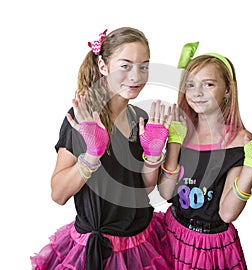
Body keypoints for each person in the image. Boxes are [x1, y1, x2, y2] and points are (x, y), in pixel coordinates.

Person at [30, 27, 172, 270]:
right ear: (103, 67)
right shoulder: (82, 120)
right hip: (97, 250)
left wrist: (154, 156)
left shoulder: (141, 119)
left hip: (141, 242)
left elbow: (143, 190)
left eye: (144, 66)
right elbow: (58, 194)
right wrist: (91, 155)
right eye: (125, 66)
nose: (136, 76)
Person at [158, 42, 252, 269]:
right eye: (191, 84)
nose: (197, 92)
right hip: (172, 232)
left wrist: (251, 166)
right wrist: (174, 143)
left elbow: (226, 213)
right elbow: (166, 193)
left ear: (227, 90)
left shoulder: (240, 140)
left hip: (209, 246)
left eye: (209, 84)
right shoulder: (182, 132)